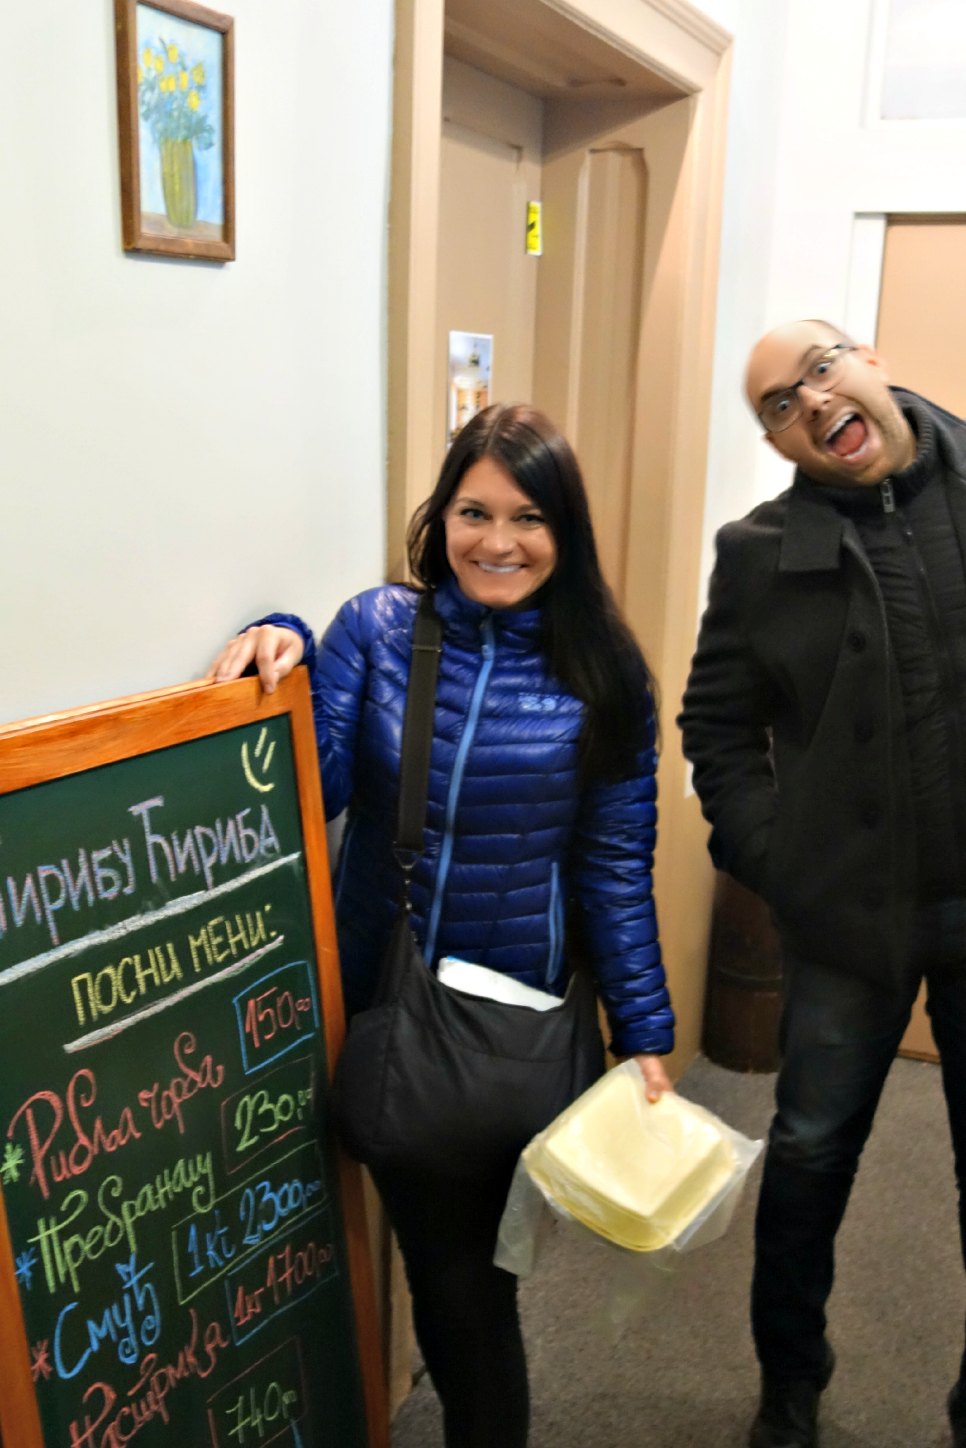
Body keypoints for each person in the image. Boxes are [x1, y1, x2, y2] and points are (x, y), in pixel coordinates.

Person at [210, 402, 674, 1448]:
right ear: (441, 516)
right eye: (475, 512)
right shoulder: (379, 631)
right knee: (449, 1276)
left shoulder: (606, 675)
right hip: (390, 1004)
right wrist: (289, 641)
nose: (498, 541)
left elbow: (613, 867)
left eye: (528, 517)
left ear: (566, 531)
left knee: (474, 1286)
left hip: (518, 1025)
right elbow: (315, 787)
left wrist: (645, 1031)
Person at [679, 318, 966, 1448]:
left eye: (820, 369)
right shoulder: (760, 555)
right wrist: (780, 863)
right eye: (778, 406)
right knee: (807, 1154)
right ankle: (790, 1380)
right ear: (779, 444)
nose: (809, 401)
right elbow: (716, 729)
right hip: (848, 919)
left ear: (871, 361)